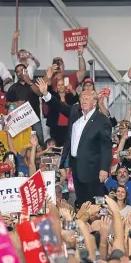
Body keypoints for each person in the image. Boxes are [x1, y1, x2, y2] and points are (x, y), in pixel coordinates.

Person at [37, 77, 112, 205]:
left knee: (95, 203)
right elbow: (59, 106)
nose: (83, 101)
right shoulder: (75, 113)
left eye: (87, 99)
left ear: (94, 102)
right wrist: (46, 94)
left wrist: (104, 168)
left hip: (93, 169)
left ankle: (96, 224)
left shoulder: (102, 120)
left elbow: (106, 146)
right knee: (81, 201)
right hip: (76, 166)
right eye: (81, 98)